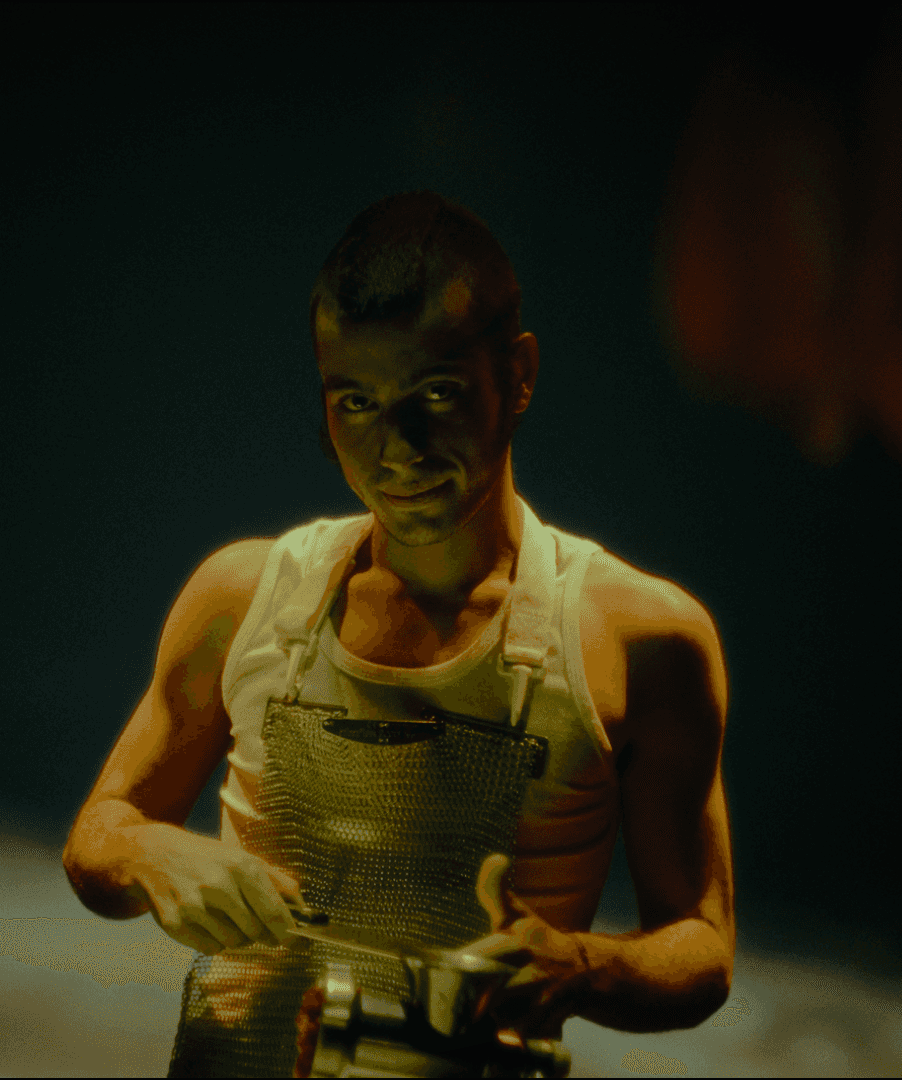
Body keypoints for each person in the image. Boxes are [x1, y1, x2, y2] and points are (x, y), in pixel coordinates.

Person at [61, 192, 734, 1052]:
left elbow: (703, 946)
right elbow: (98, 835)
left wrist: (578, 966)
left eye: (437, 393)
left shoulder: (641, 639)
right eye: (357, 402)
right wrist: (152, 855)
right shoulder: (243, 598)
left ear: (519, 375)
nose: (399, 448)